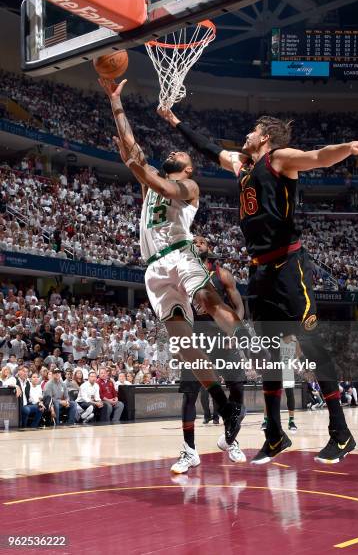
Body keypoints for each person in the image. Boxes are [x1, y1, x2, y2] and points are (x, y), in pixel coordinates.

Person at [159, 108, 358, 464]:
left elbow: (317, 157)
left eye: (252, 131)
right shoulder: (242, 165)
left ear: (264, 136)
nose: (246, 134)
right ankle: (275, 435)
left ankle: (341, 433)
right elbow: (207, 148)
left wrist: (349, 147)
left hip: (288, 267)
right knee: (268, 354)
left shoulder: (278, 160)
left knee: (310, 345)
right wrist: (175, 122)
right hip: (260, 272)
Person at [99, 77, 251, 446]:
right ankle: (222, 403)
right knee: (183, 346)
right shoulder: (147, 178)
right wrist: (116, 102)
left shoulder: (189, 188)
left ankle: (249, 342)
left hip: (181, 254)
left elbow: (160, 185)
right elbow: (133, 148)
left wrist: (134, 165)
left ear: (187, 169)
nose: (177, 154)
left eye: (182, 156)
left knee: (208, 301)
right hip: (153, 268)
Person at [171, 236, 247, 474]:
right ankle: (189, 451)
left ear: (209, 248)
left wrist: (233, 330)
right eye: (194, 240)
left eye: (202, 241)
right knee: (189, 394)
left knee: (238, 387)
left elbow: (239, 306)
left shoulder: (221, 274)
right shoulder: (181, 275)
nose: (198, 242)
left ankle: (230, 439)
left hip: (222, 337)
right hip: (196, 338)